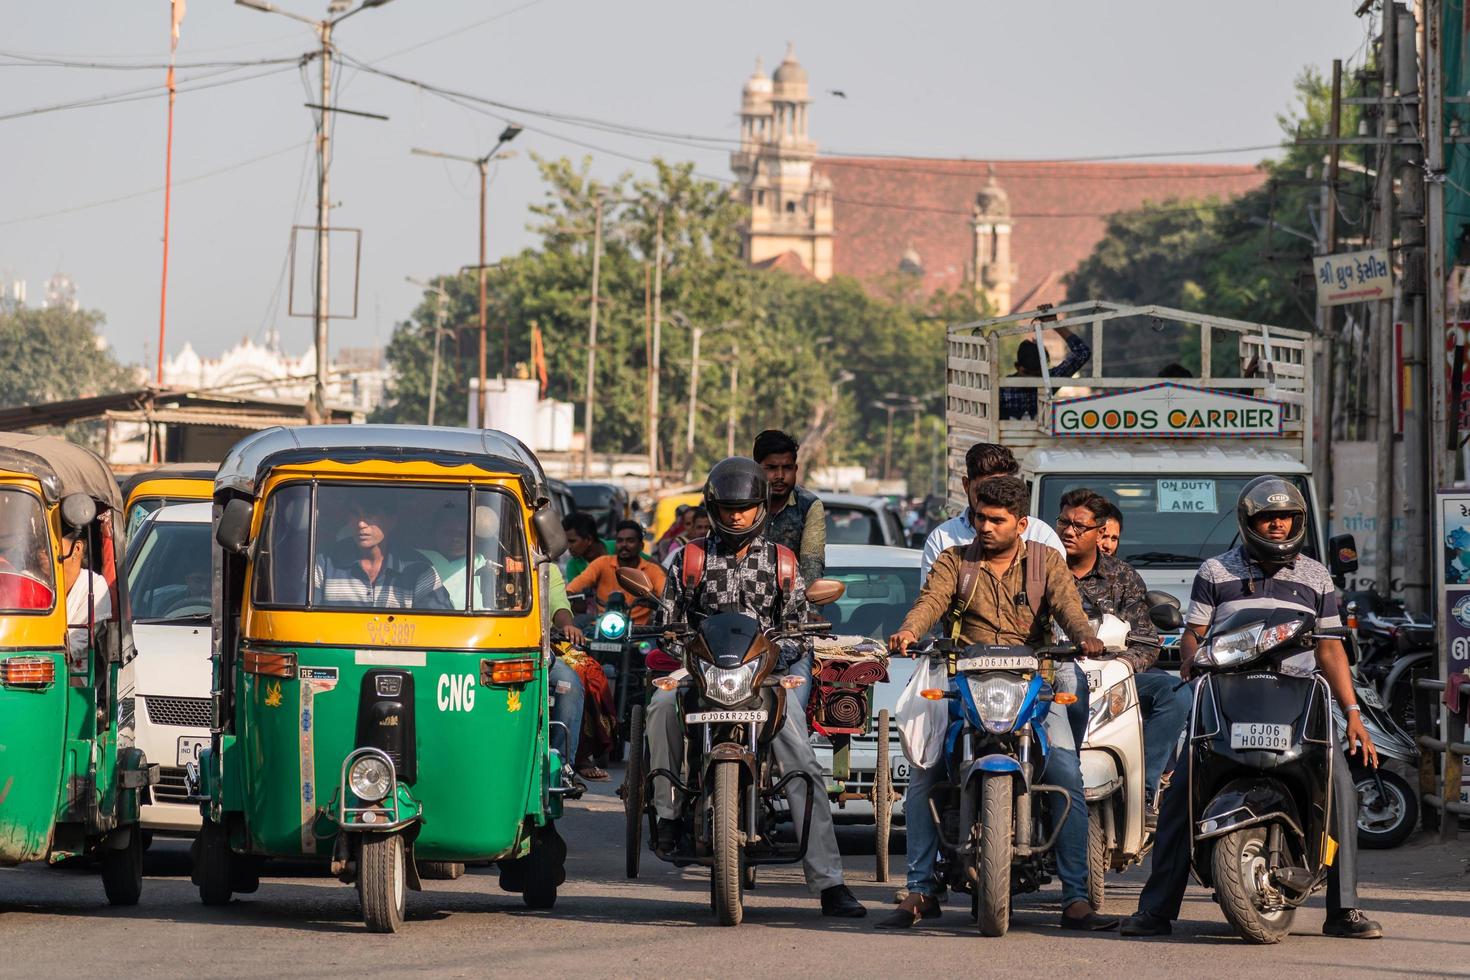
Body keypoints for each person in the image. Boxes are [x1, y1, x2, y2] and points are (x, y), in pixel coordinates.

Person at [1120, 476, 1383, 940]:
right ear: (1249, 521)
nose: (1277, 524)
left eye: (1285, 517)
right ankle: (1156, 909)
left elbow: (1330, 650)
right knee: (1184, 788)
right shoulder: (1216, 572)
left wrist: (1354, 714)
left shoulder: (1316, 575)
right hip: (1229, 696)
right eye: (1267, 516)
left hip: (1298, 699)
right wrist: (1189, 662)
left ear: (1298, 522)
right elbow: (1195, 634)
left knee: (1340, 786)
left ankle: (1344, 910)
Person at [882, 476, 1112, 931]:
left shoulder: (1047, 562)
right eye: (979, 519)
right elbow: (930, 602)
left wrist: (1085, 637)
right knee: (926, 773)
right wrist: (910, 631)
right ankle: (920, 889)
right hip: (966, 683)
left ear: (1021, 523)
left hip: (1034, 685)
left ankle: (1075, 897)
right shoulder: (955, 562)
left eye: (996, 520)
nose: (984, 528)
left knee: (1066, 772)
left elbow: (1068, 607)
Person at [647, 456, 866, 918]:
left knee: (802, 762)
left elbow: (801, 627)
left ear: (761, 507)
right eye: (727, 508)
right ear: (713, 507)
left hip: (763, 678)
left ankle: (830, 883)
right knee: (661, 705)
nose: (736, 516)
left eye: (744, 508)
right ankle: (667, 814)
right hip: (702, 672)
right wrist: (676, 642)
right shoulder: (689, 558)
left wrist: (780, 659)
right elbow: (667, 623)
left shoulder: (783, 563)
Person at [1055, 489, 1188, 826]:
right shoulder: (1043, 571)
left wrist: (1122, 667)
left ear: (1099, 532)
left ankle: (1142, 790)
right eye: (1064, 523)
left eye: (1079, 526)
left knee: (1175, 694)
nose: (1069, 532)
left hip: (1114, 676)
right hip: (1054, 673)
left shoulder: (1123, 576)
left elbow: (1147, 641)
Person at [920, 442, 1063, 584]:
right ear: (966, 485)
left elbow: (1062, 595)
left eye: (1001, 490)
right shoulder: (942, 539)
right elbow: (932, 599)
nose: (992, 499)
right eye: (983, 491)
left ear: (1022, 526)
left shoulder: (1041, 535)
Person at [313, 494, 450, 609]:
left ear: (391, 520)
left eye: (370, 514)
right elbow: (305, 621)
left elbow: (442, 626)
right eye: (355, 514)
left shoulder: (418, 569)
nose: (361, 524)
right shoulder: (324, 563)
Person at [754, 429, 826, 584]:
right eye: (771, 468)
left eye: (787, 468)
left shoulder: (808, 505)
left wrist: (809, 604)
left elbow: (811, 562)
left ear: (795, 469)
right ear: (756, 469)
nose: (780, 476)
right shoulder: (742, 502)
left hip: (791, 601)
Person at [566, 519, 667, 625]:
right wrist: (569, 593)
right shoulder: (601, 563)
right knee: (576, 625)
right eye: (620, 540)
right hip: (602, 625)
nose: (624, 545)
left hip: (639, 630)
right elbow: (578, 583)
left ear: (641, 546)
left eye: (630, 541)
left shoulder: (653, 570)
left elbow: (664, 594)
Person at [1000, 324, 1092, 420]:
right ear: (1017, 367)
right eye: (1027, 373)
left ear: (1043, 370)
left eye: (1037, 375)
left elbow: (1082, 353)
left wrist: (1055, 324)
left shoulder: (1049, 380)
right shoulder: (1003, 388)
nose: (1032, 380)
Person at [62, 526, 111, 671]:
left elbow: (74, 646)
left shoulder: (95, 585)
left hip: (75, 676)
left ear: (77, 548)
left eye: (51, 542)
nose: (42, 551)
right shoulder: (31, 580)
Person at [563, 512, 612, 583]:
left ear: (589, 539)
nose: (568, 546)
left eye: (572, 541)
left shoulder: (618, 548)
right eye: (567, 541)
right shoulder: (573, 566)